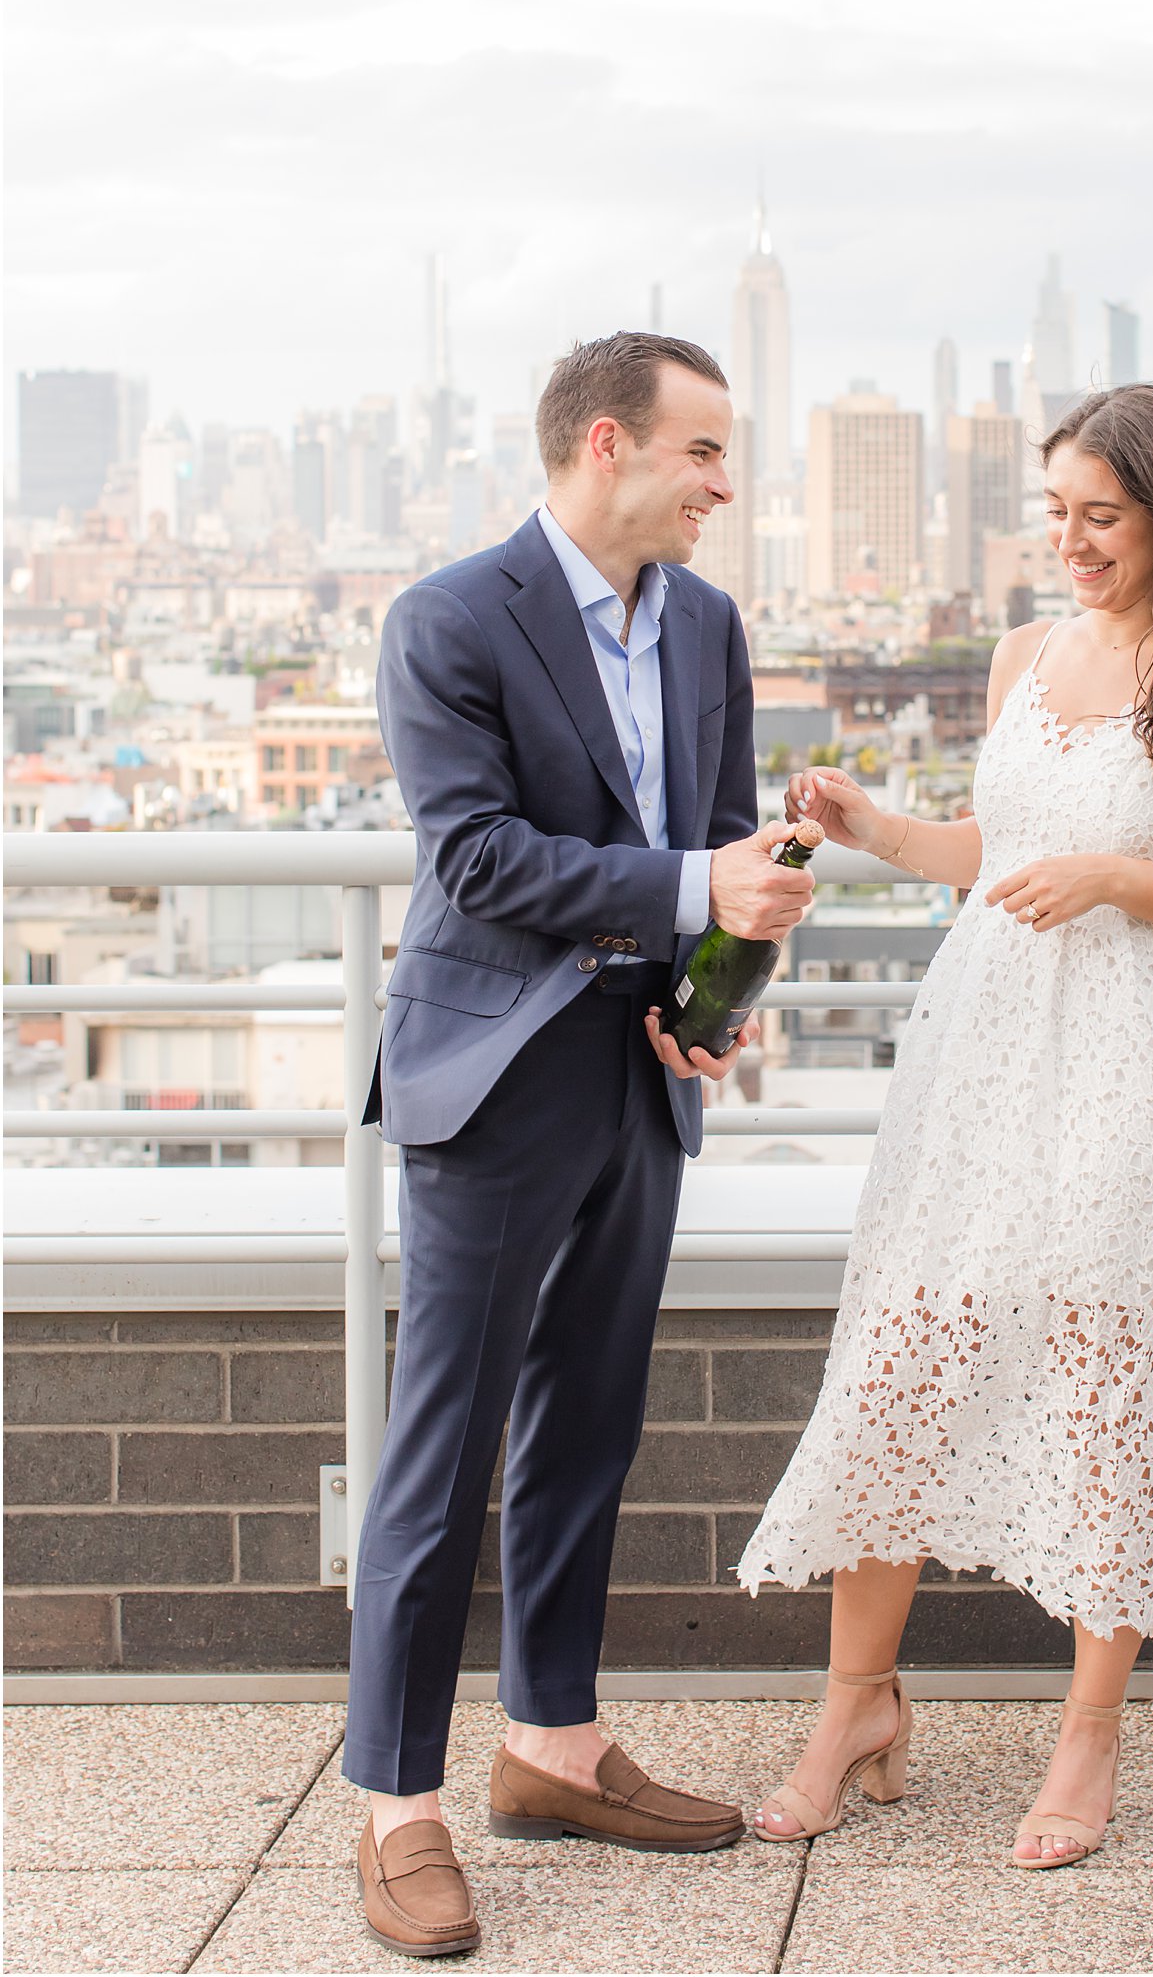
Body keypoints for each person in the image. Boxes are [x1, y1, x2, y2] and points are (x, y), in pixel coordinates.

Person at [738, 384, 1153, 1868]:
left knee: (1112, 1369)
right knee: (906, 1360)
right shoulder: (1019, 654)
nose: (1069, 540)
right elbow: (996, 854)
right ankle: (854, 1702)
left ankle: (1089, 1733)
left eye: (1097, 516)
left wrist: (1116, 877)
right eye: (1054, 510)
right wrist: (875, 827)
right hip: (977, 1052)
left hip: (1122, 1063)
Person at [345, 332, 814, 1957]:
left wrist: (715, 991)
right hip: (494, 1073)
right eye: (702, 451)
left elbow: (736, 840)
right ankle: (397, 1808)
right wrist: (696, 889)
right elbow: (473, 858)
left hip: (643, 1071)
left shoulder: (711, 625)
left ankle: (550, 1743)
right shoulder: (452, 618)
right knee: (443, 1440)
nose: (723, 484)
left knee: (589, 1423)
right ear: (605, 443)